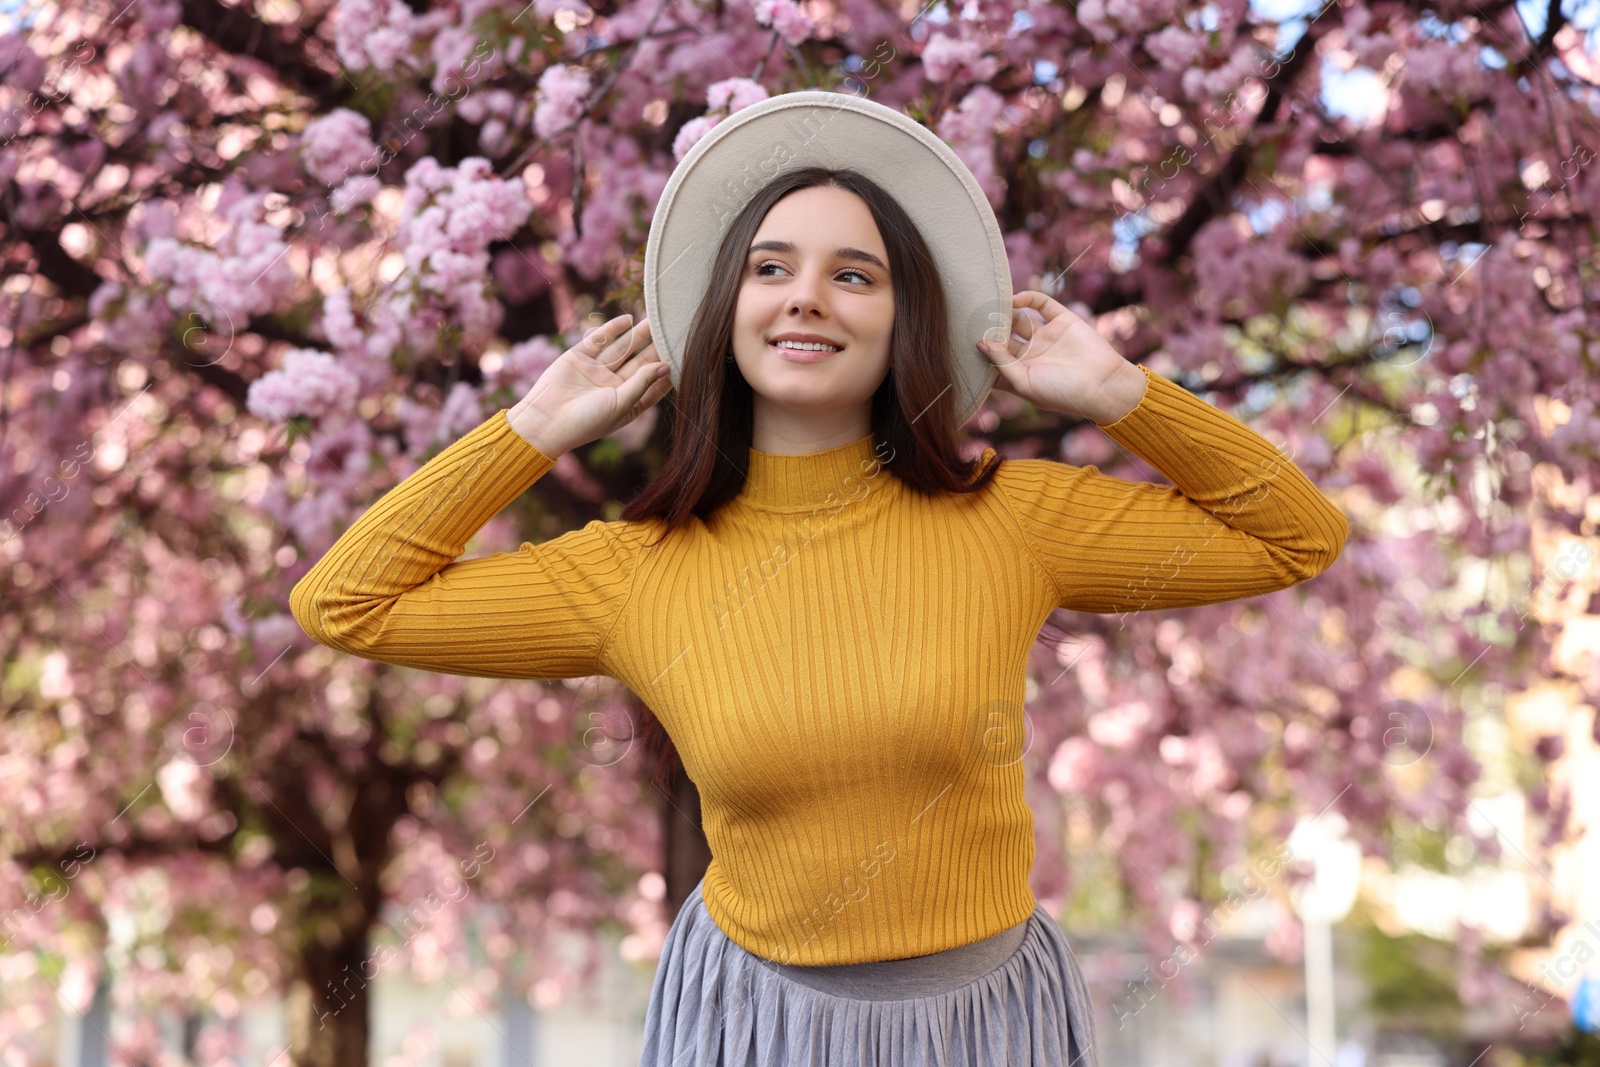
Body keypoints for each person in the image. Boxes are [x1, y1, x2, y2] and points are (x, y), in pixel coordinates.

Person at [290, 96, 1349, 1066]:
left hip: (987, 1024)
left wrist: (1123, 394)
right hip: (751, 1023)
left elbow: (1293, 537)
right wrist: (528, 432)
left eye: (854, 274)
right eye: (768, 267)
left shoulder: (1011, 518)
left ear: (903, 319)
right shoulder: (635, 569)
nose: (806, 298)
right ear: (727, 307)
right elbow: (345, 601)